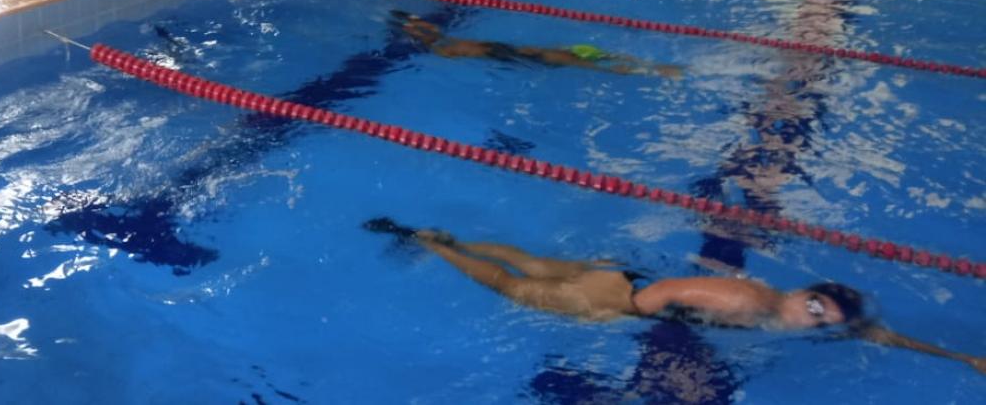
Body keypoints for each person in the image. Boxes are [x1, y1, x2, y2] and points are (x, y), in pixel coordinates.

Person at [364, 218, 986, 375]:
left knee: (526, 260)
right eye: (816, 307)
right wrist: (614, 316)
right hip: (619, 296)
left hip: (621, 277)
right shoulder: (755, 306)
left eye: (821, 318)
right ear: (806, 295)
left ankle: (452, 236)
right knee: (509, 285)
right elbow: (666, 293)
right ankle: (431, 244)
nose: (812, 318)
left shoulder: (786, 307)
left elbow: (868, 331)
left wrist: (962, 359)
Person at [390, 11, 682, 79]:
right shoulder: (441, 49)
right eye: (419, 27)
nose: (428, 26)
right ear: (415, 35)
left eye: (423, 23)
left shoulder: (446, 41)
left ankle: (654, 68)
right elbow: (483, 56)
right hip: (517, 58)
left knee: (590, 56)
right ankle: (655, 71)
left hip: (521, 52)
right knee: (585, 63)